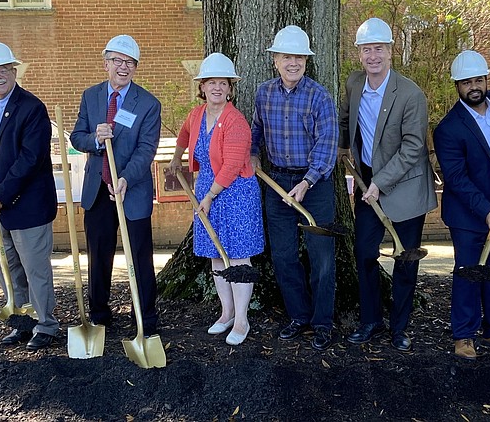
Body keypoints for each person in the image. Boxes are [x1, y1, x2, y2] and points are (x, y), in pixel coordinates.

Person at [338, 18, 437, 352]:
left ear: (390, 51)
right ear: (360, 54)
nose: (373, 56)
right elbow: (345, 120)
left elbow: (413, 148)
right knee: (365, 253)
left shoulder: (410, 94)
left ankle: (400, 327)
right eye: (367, 50)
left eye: (378, 48)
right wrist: (339, 148)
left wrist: (380, 182)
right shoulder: (354, 85)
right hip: (368, 185)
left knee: (405, 260)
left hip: (405, 187)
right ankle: (371, 321)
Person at [433, 50, 490, 360]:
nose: (473, 86)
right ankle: (463, 336)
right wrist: (486, 211)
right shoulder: (449, 129)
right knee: (469, 272)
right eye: (466, 82)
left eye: (478, 80)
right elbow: (457, 179)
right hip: (469, 214)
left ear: (487, 80)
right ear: (457, 86)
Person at [251, 25, 338, 351]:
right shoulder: (263, 93)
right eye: (287, 56)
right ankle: (299, 316)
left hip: (314, 185)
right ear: (276, 60)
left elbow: (327, 145)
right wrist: (253, 154)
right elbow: (255, 130)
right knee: (285, 256)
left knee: (322, 259)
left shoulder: (319, 96)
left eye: (299, 57)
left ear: (306, 61)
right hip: (276, 183)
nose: (293, 63)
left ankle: (322, 323)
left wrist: (307, 181)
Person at [168, 53, 264, 346]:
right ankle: (225, 314)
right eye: (212, 82)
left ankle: (242, 320)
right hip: (208, 188)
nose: (217, 88)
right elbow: (185, 135)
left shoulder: (236, 121)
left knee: (237, 256)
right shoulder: (197, 114)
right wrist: (176, 158)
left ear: (230, 88)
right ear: (203, 87)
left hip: (235, 193)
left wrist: (209, 197)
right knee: (215, 254)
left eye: (223, 83)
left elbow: (233, 165)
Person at [0, 40, 59, 351]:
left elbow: (30, 158)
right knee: (8, 267)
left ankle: (46, 325)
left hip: (27, 203)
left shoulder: (32, 108)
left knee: (35, 269)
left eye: (3, 69)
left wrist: (1, 194)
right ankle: (22, 321)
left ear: (14, 70)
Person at [70, 35, 161, 334]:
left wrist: (125, 179)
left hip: (131, 190)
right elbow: (76, 137)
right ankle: (99, 315)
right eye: (118, 61)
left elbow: (146, 149)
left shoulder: (147, 103)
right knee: (99, 256)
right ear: (106, 63)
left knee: (140, 258)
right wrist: (95, 139)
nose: (123, 68)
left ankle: (145, 319)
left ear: (135, 67)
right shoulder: (91, 96)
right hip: (98, 191)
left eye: (130, 63)